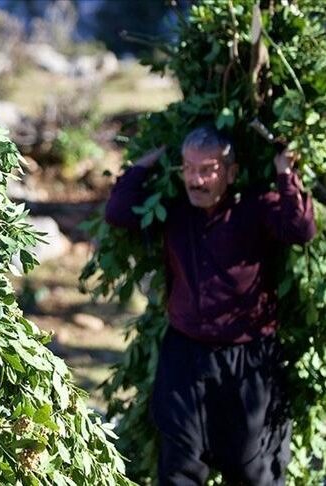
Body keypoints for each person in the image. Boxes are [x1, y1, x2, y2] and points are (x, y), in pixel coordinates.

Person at [105, 125, 316, 485]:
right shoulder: (172, 210)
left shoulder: (255, 208)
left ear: (231, 172)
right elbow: (119, 211)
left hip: (248, 360)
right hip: (185, 356)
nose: (196, 180)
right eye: (188, 168)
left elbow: (301, 229)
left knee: (253, 469)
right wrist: (146, 162)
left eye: (207, 170)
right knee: (180, 465)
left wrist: (285, 172)